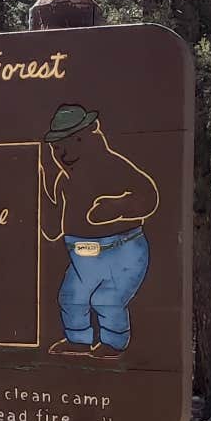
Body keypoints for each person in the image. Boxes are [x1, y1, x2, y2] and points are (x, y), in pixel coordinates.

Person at [40, 104, 160, 358]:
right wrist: (38, 191)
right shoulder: (64, 182)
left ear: (94, 133)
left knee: (107, 299)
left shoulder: (116, 167)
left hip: (123, 250)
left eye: (76, 141)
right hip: (82, 255)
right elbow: (52, 228)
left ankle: (113, 344)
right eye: (58, 147)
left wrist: (118, 207)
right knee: (71, 296)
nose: (65, 153)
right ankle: (78, 340)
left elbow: (148, 195)